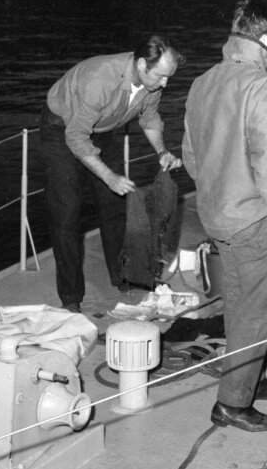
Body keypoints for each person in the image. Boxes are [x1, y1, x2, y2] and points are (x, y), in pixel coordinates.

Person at [182, 0, 267, 433]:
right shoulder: (263, 90)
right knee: (257, 312)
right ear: (266, 39)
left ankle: (252, 378)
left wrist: (220, 190)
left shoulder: (203, 83)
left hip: (216, 215)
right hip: (253, 221)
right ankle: (232, 403)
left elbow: (191, 157)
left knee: (237, 304)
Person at [40, 35, 184, 314]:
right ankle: (71, 297)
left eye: (169, 77)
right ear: (142, 65)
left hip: (102, 128)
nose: (165, 84)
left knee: (114, 206)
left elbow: (150, 117)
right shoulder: (100, 81)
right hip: (61, 129)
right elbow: (76, 139)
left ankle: (123, 277)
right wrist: (108, 176)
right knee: (67, 213)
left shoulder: (152, 81)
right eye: (162, 77)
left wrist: (162, 151)